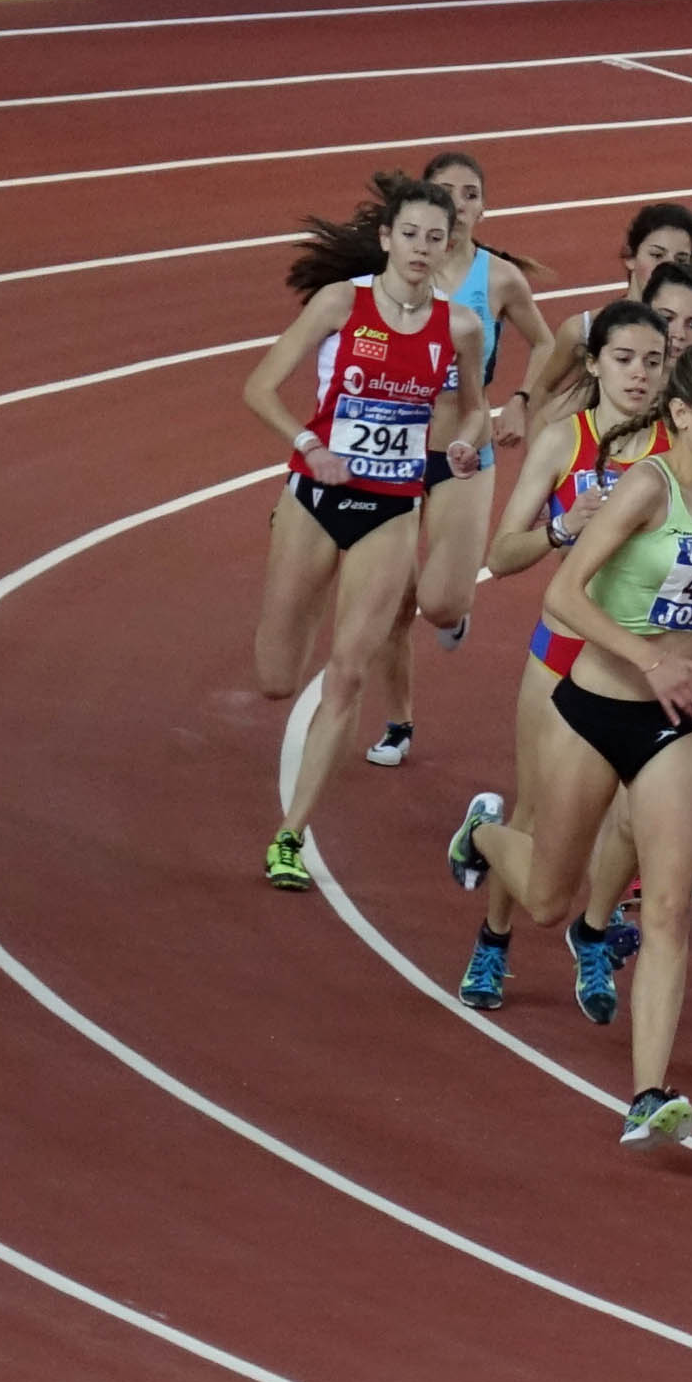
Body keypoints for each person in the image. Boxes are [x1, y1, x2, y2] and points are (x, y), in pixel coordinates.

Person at [448, 340, 692, 1149]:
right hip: (596, 707)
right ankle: (483, 833)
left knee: (666, 908)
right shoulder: (642, 488)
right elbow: (564, 595)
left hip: (670, 727)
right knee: (551, 896)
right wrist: (649, 659)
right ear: (682, 416)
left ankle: (649, 1092)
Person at [243, 175, 486, 892]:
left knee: (347, 670)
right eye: (408, 234)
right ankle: (297, 555)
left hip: (392, 508)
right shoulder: (340, 304)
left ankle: (290, 835)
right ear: (386, 239)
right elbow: (258, 387)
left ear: (448, 248)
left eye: (433, 239)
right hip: (316, 495)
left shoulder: (459, 328)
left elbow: (475, 408)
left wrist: (467, 444)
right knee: (276, 679)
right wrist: (307, 444)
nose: (419, 248)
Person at [454, 299, 671, 1018]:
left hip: (640, 661)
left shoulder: (680, 447)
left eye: (653, 361)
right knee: (541, 811)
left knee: (634, 818)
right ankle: (493, 931)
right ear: (593, 363)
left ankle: (597, 934)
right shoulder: (562, 441)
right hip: (562, 655)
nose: (639, 375)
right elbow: (501, 554)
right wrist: (560, 528)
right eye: (623, 359)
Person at [363, 150, 560, 767]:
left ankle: (452, 612)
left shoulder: (498, 278)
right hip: (392, 453)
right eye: (445, 191)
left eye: (469, 193)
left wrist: (522, 402)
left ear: (480, 208)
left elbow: (547, 341)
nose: (458, 202)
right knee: (391, 599)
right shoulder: (389, 272)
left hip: (462, 453)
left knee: (442, 602)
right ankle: (398, 722)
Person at [526, 203, 692, 422]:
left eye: (681, 260)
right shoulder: (583, 329)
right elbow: (544, 390)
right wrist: (537, 449)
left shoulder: (691, 334)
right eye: (657, 255)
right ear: (631, 258)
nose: (666, 267)